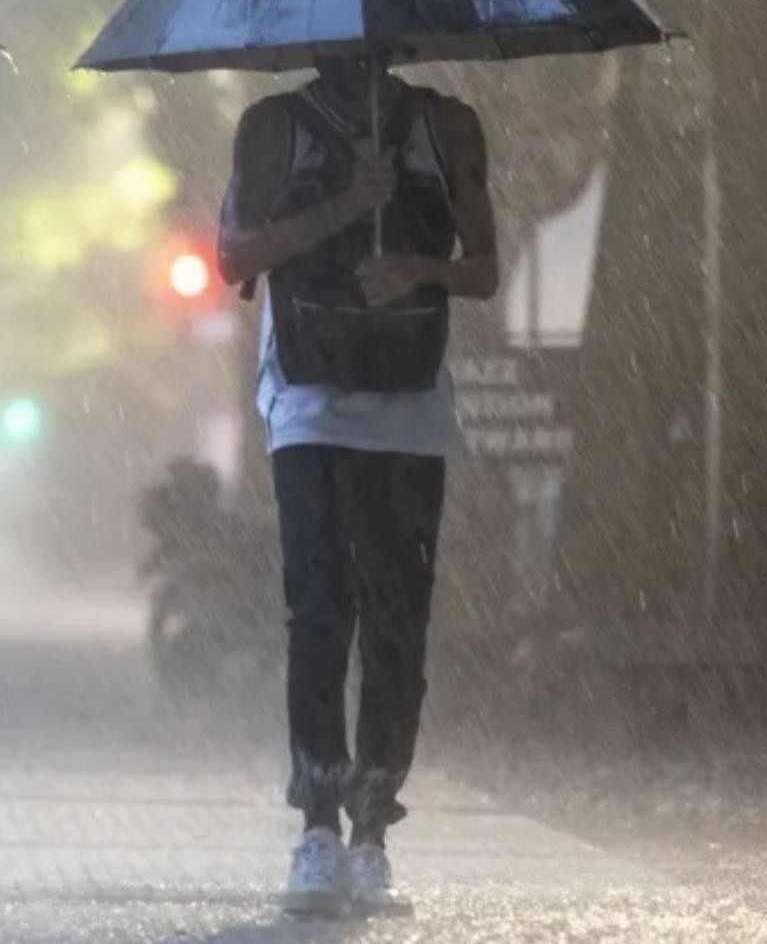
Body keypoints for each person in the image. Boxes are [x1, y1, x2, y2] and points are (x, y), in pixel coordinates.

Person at [217, 55, 498, 917]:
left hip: (408, 404)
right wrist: (342, 206)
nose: (360, 47)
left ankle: (373, 827)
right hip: (307, 398)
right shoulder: (274, 126)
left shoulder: (445, 125)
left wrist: (416, 267)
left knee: (397, 615)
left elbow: (485, 269)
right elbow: (233, 254)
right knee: (318, 606)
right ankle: (317, 824)